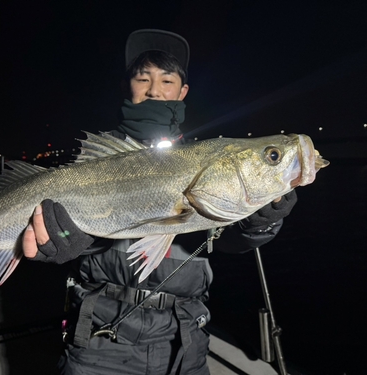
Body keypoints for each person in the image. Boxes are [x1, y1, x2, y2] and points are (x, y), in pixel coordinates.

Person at [23, 29, 297, 375]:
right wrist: (66, 242)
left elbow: (230, 241)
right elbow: (65, 236)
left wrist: (261, 221)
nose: (154, 89)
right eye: (143, 78)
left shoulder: (206, 160)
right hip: (99, 339)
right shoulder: (92, 161)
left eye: (167, 80)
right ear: (127, 88)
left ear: (182, 92)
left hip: (185, 338)